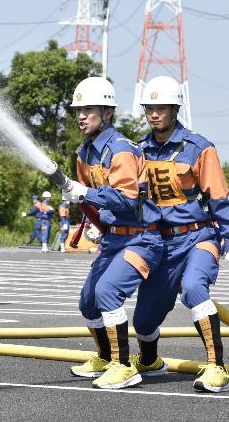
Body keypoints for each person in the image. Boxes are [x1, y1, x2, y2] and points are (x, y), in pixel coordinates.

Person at [129, 75, 229, 393]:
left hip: (198, 238)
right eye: (149, 108)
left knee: (194, 288)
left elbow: (219, 197)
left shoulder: (199, 148)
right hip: (160, 244)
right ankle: (149, 361)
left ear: (175, 108)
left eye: (161, 107)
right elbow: (130, 199)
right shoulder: (138, 152)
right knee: (143, 322)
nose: (154, 114)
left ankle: (216, 368)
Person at [62, 76, 163, 389]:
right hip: (113, 238)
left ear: (107, 113)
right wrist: (83, 202)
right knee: (88, 302)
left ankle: (124, 366)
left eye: (89, 109)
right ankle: (105, 357)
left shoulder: (120, 150)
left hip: (141, 238)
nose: (81, 115)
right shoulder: (85, 153)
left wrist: (85, 194)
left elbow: (127, 197)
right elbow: (88, 196)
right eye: (77, 109)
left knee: (107, 292)